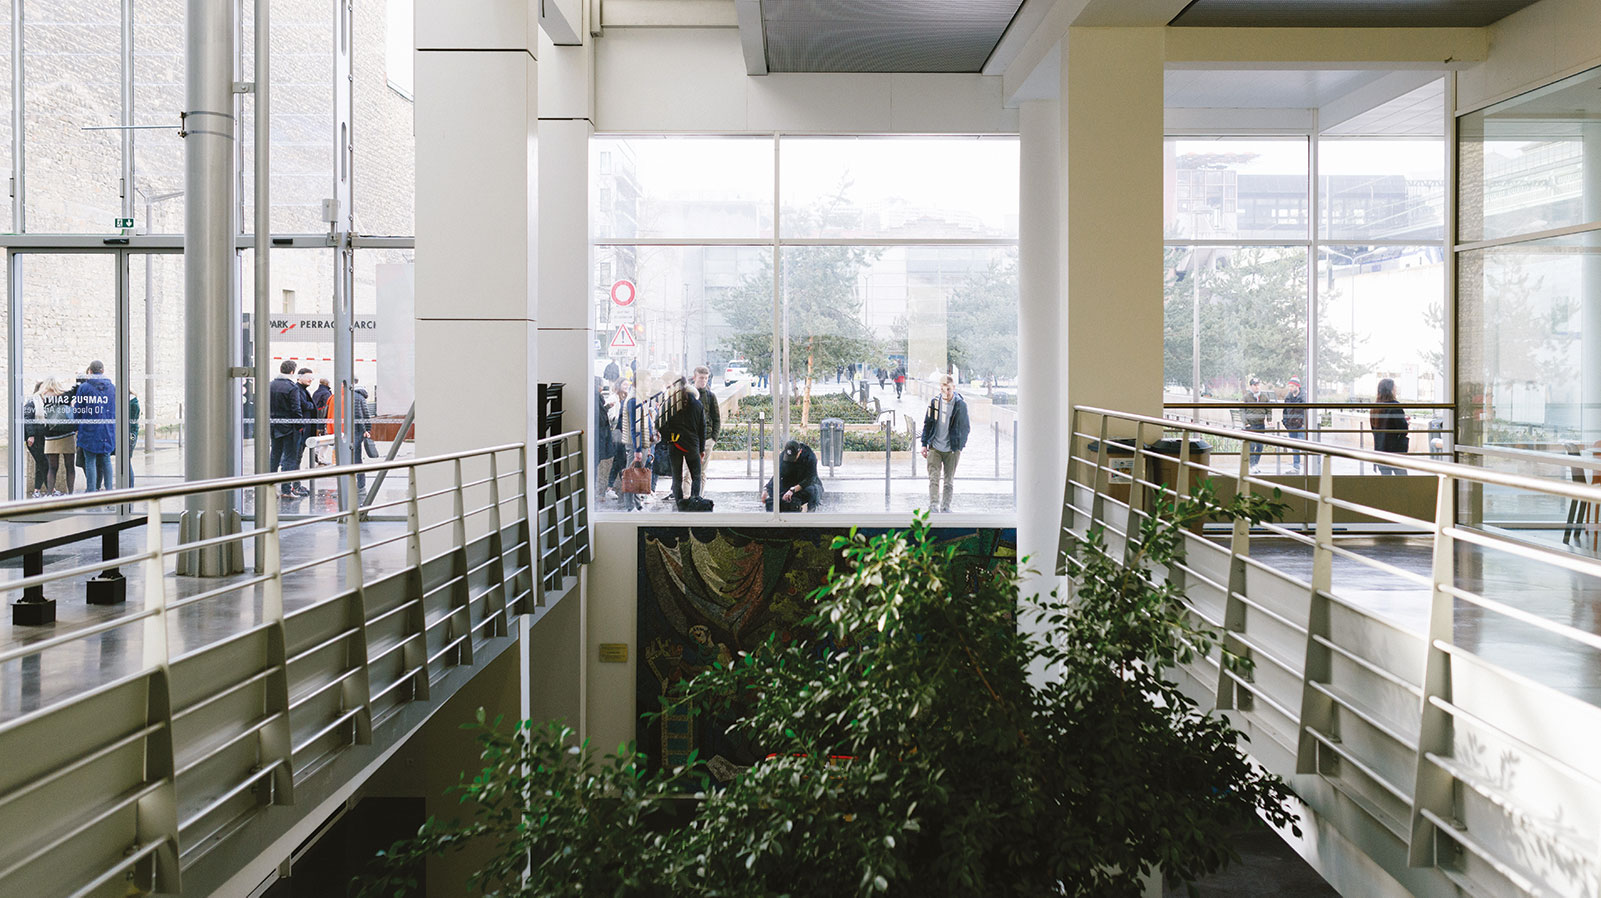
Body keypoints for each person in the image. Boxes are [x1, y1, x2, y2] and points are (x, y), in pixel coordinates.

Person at [920, 374, 970, 513]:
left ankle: (945, 506)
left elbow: (966, 427)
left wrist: (960, 446)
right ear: (940, 388)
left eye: (949, 389)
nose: (946, 392)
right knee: (934, 478)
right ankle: (933, 505)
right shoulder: (934, 403)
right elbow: (928, 424)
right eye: (943, 389)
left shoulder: (960, 405)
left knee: (948, 480)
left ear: (953, 388)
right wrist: (924, 444)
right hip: (935, 447)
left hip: (952, 449)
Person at [655, 375, 705, 507]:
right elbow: (702, 429)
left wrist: (669, 436)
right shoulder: (698, 404)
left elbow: (658, 423)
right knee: (696, 476)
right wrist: (702, 449)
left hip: (675, 444)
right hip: (693, 445)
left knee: (676, 477)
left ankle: (679, 504)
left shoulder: (669, 403)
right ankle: (695, 501)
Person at [269, 360, 312, 497]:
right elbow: (296, 409)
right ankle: (286, 490)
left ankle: (268, 486)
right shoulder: (292, 387)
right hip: (290, 429)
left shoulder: (270, 385)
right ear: (293, 372)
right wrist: (300, 426)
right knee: (289, 458)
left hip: (274, 425)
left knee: (274, 456)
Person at [75, 360, 117, 492]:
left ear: (90, 372)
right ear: (103, 371)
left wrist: (77, 425)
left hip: (89, 429)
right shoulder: (112, 388)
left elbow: (78, 410)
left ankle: (91, 490)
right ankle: (109, 489)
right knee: (106, 459)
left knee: (90, 461)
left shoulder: (84, 388)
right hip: (107, 429)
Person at [40, 376, 77, 495]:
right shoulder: (62, 396)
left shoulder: (43, 397)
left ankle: (50, 493)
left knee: (52, 468)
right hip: (66, 433)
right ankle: (70, 493)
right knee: (70, 467)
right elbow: (73, 391)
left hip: (50, 436)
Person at [763, 440, 824, 512]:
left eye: (793, 457)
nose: (791, 460)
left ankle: (809, 511)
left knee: (813, 490)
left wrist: (793, 490)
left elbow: (810, 478)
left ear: (800, 452)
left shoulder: (809, 456)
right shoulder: (782, 456)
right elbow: (778, 475)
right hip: (790, 483)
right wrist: (766, 489)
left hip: (807, 484)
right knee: (777, 497)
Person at [1370, 378, 1410, 476]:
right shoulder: (1395, 406)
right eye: (1394, 387)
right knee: (1403, 481)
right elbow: (1403, 430)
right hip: (1395, 451)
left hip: (1380, 450)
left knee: (1386, 482)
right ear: (1390, 390)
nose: (1396, 389)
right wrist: (1405, 422)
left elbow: (1374, 429)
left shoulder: (1375, 408)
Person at [692, 365, 721, 465]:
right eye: (701, 378)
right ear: (694, 378)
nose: (703, 380)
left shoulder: (710, 396)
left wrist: (714, 438)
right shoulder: (688, 395)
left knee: (702, 471)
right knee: (687, 472)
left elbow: (716, 418)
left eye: (706, 378)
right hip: (691, 439)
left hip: (707, 438)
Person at [23, 382, 47, 497]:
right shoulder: (32, 403)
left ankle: (37, 491)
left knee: (40, 463)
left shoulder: (43, 403)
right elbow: (27, 420)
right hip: (34, 438)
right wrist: (30, 435)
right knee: (44, 463)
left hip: (43, 437)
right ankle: (51, 490)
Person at [1242, 376, 1269, 473]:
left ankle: (1255, 464)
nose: (1256, 387)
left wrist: (1269, 419)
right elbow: (1242, 411)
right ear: (1251, 386)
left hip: (1261, 424)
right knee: (1252, 446)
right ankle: (1252, 465)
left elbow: (1268, 409)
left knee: (1260, 446)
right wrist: (1246, 422)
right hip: (1251, 425)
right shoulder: (1246, 397)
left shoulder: (1264, 397)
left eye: (1258, 385)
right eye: (1254, 385)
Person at [1281, 376, 1307, 473]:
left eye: (1292, 386)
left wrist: (1304, 424)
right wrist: (1285, 422)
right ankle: (1296, 467)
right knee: (1294, 447)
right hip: (1291, 425)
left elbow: (1306, 411)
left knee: (1304, 446)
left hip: (1301, 426)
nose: (1290, 388)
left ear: (1297, 386)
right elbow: (1285, 411)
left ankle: (1306, 466)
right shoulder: (1288, 397)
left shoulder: (1304, 397)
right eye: (1289, 386)